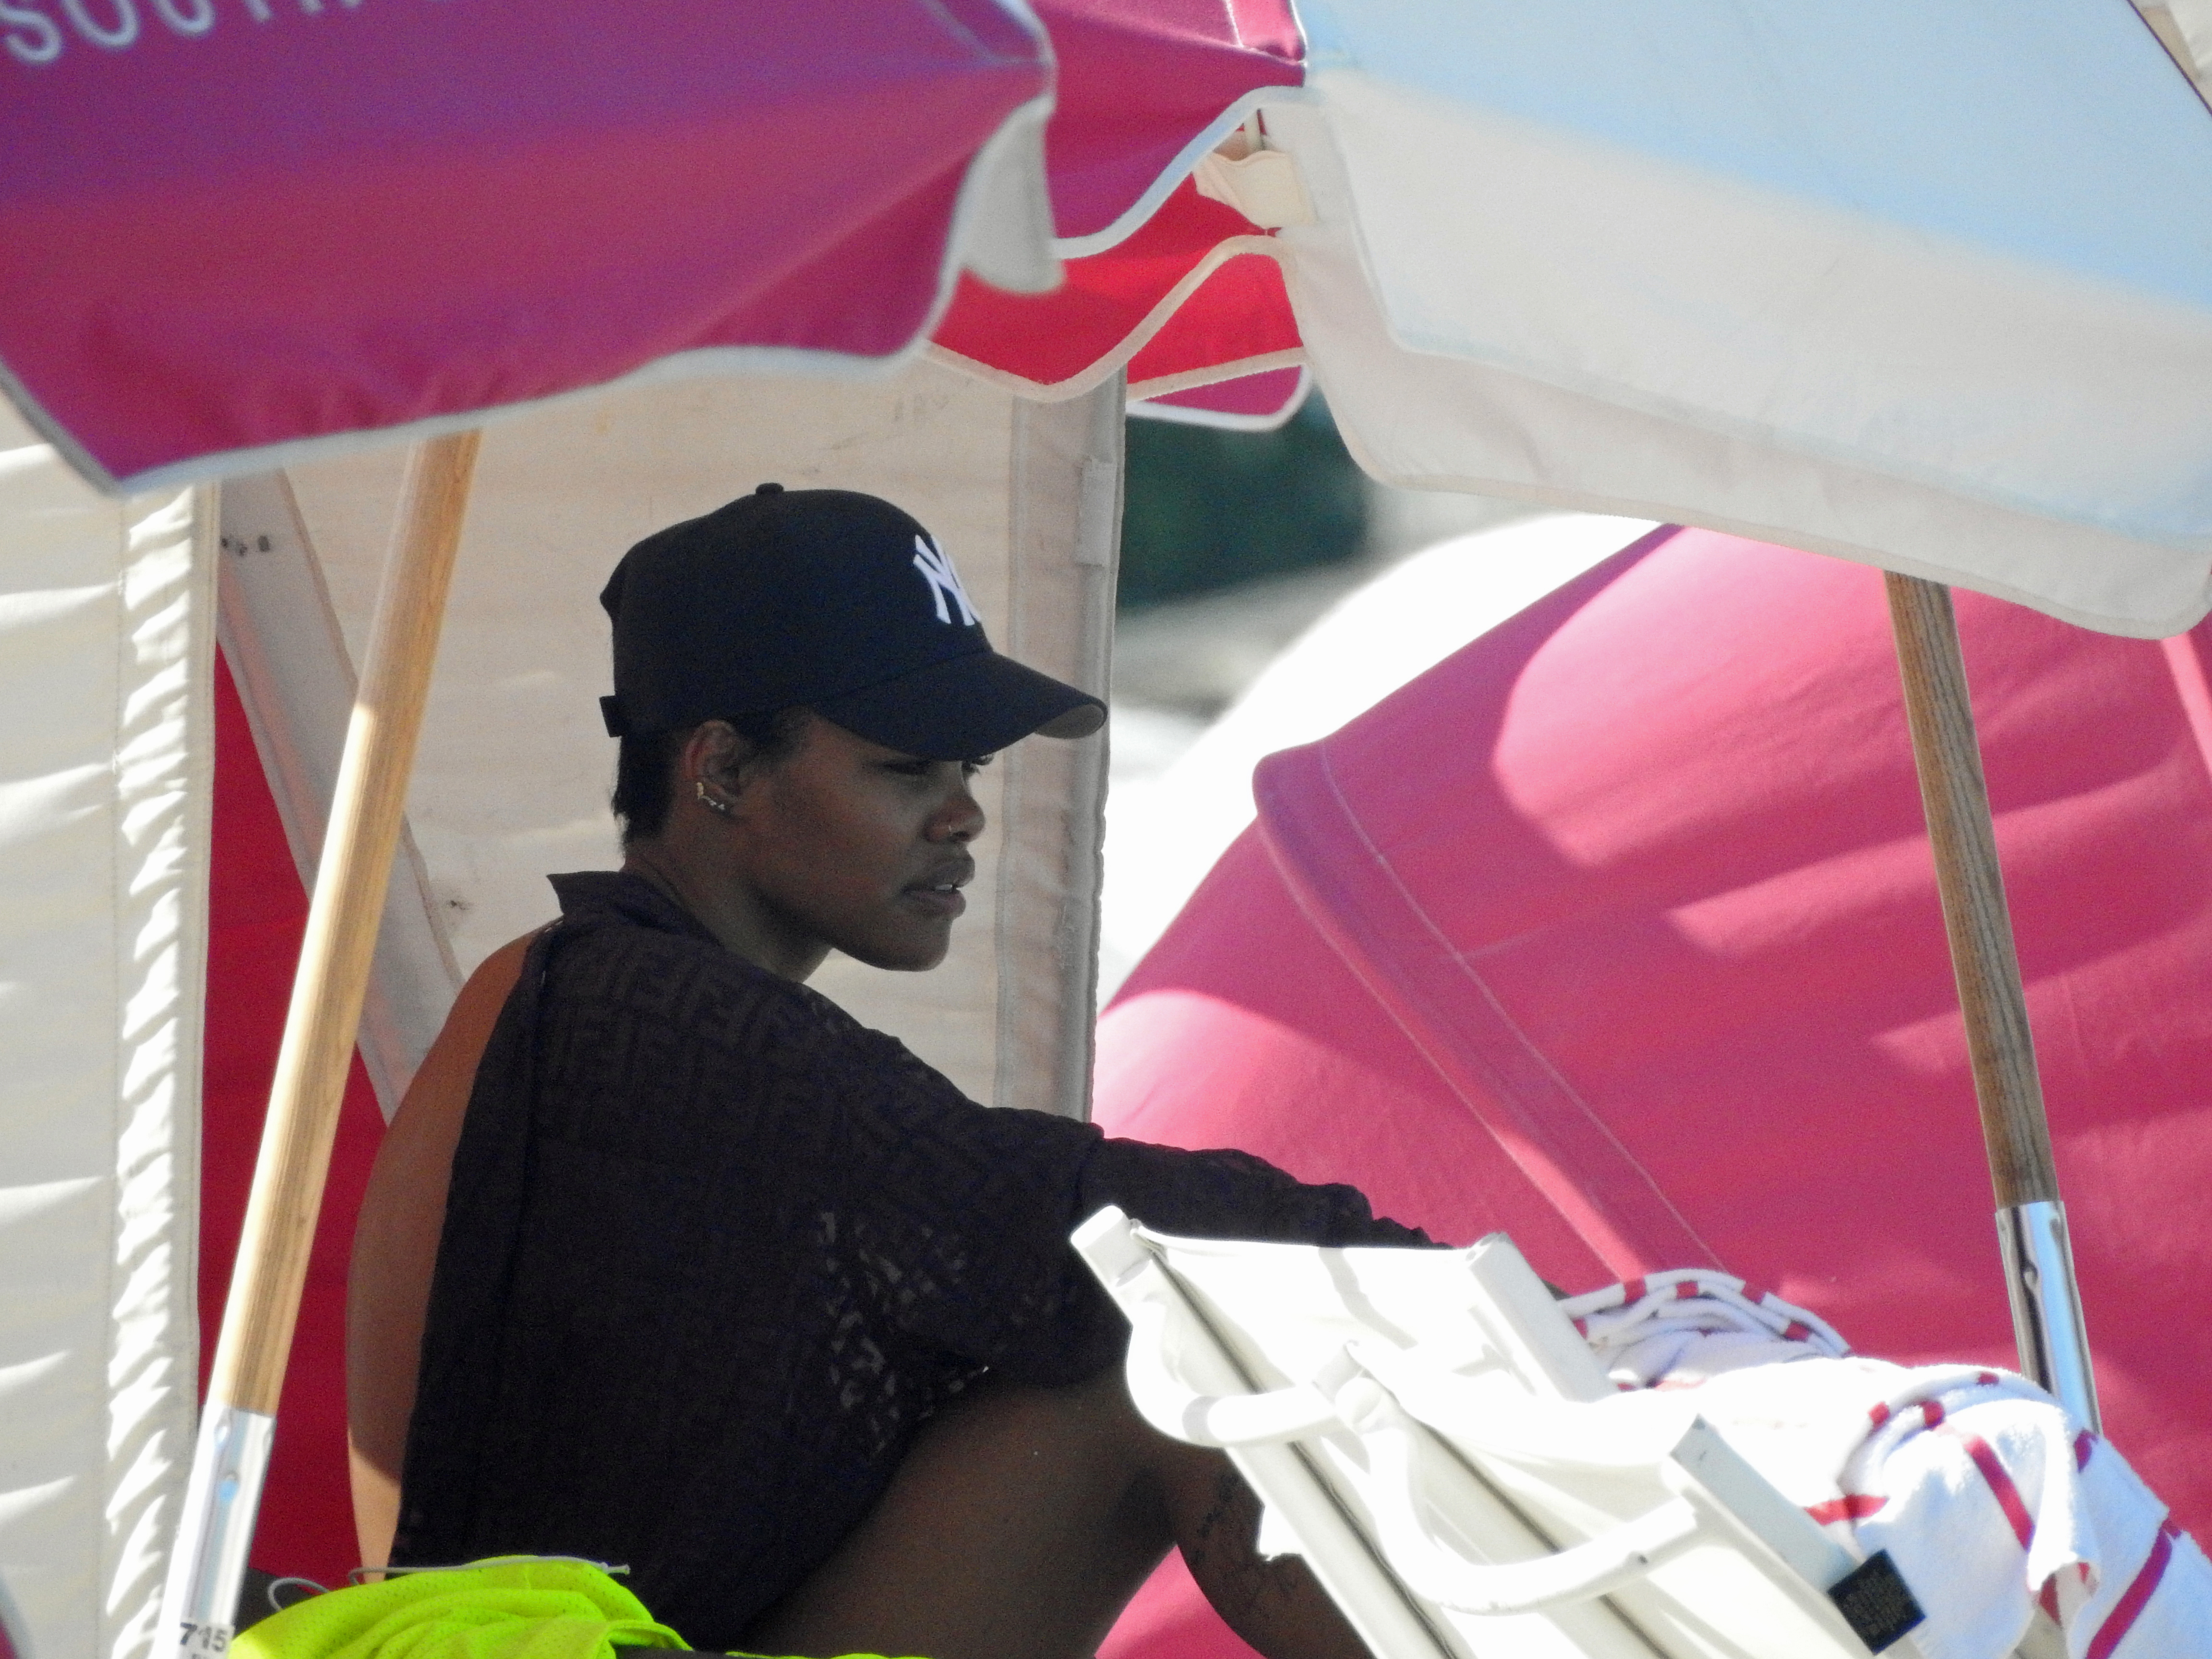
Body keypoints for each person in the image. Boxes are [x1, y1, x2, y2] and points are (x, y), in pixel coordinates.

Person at [347, 485, 1430, 1658]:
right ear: (720, 768)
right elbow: (1088, 1218)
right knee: (1176, 1328)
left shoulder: (600, 994)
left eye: (967, 766)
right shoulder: (636, 1007)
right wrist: (1459, 1295)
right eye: (907, 767)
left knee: (1155, 1338)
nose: (964, 814)